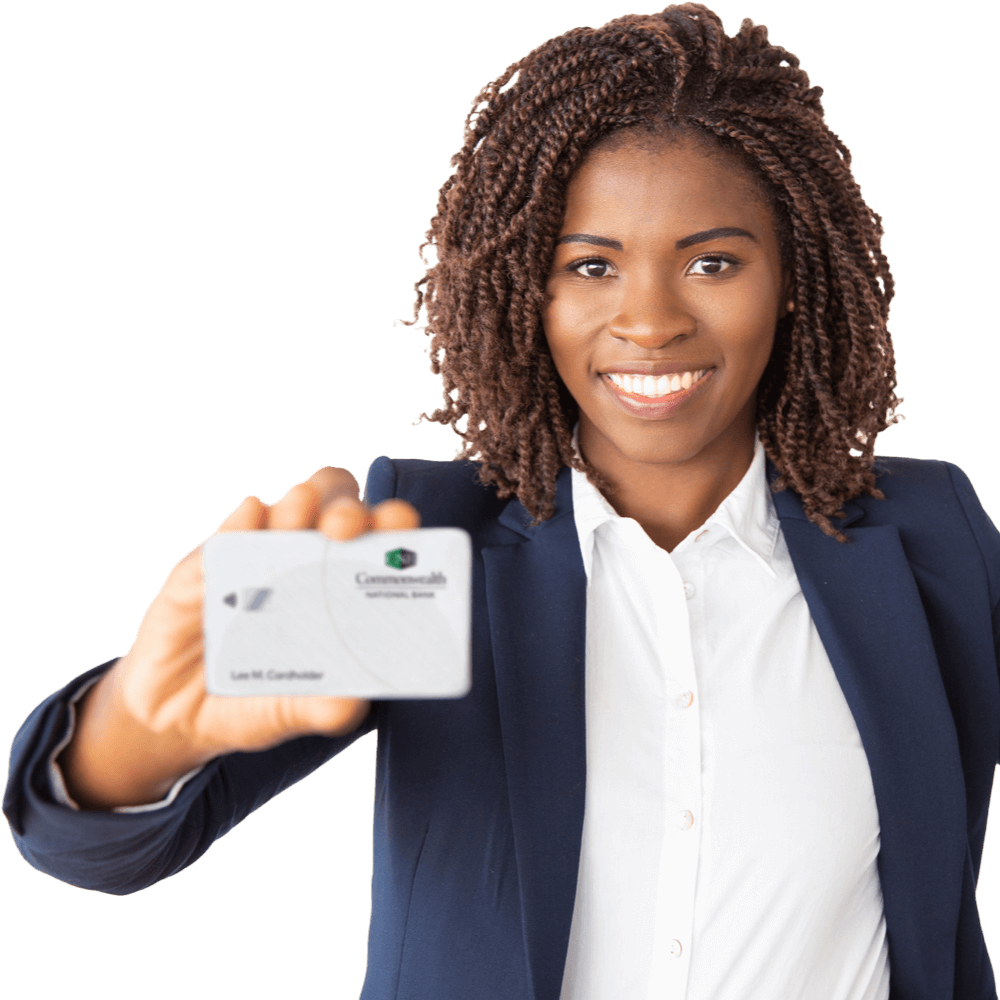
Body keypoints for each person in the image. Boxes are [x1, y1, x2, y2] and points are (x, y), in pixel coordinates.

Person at [6, 5, 998, 998]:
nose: (649, 320)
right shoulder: (428, 549)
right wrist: (140, 722)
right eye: (590, 266)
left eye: (712, 262)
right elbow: (91, 846)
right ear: (528, 287)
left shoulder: (929, 540)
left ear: (791, 278)